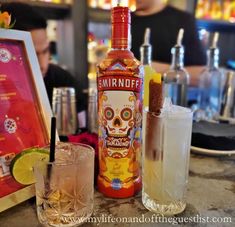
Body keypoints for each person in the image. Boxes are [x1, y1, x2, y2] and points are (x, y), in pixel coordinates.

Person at [1, 2, 87, 129]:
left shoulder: (61, 81)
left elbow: (83, 132)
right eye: (33, 54)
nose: (42, 64)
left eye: (45, 51)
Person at [131, 0, 206, 86]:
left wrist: (158, 70)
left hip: (171, 97)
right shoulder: (123, 21)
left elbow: (202, 76)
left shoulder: (183, 20)